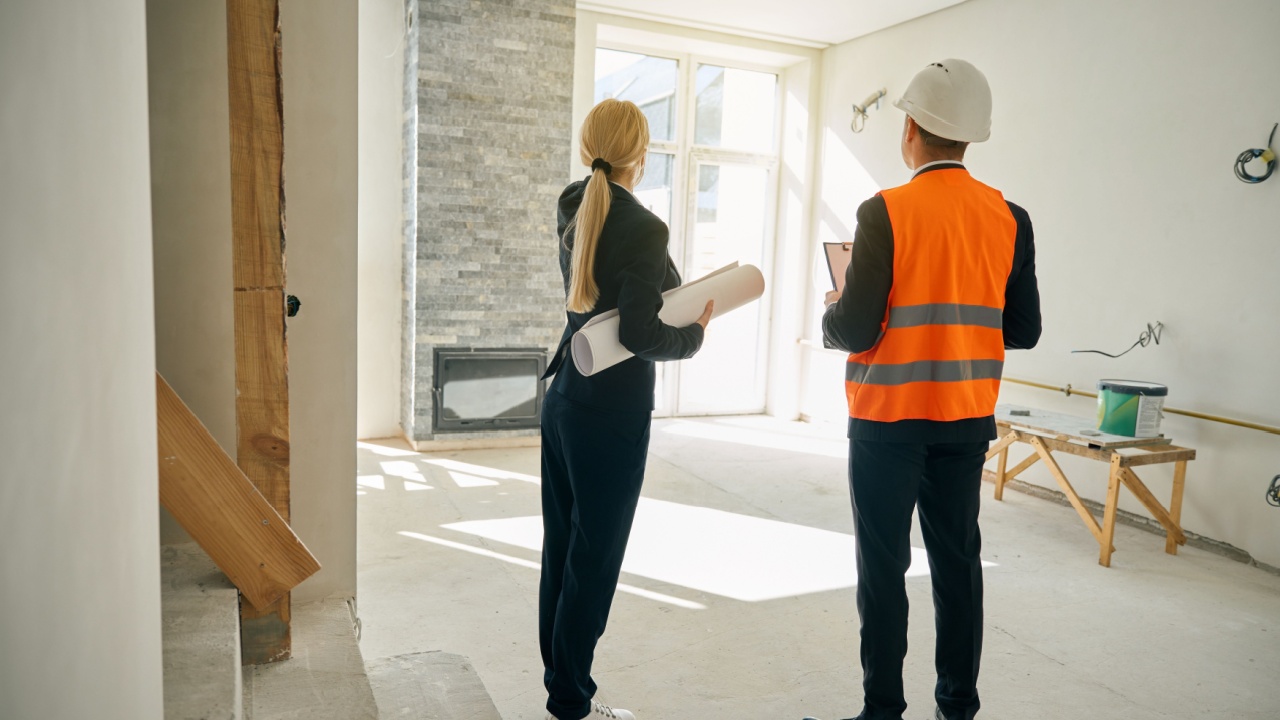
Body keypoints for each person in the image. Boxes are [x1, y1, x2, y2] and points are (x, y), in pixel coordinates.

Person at [806, 59, 1041, 720]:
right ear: (970, 137)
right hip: (965, 419)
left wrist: (834, 304)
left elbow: (854, 328)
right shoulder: (1010, 217)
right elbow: (1023, 329)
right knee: (957, 565)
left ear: (910, 129)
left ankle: (882, 709)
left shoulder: (884, 211)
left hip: (887, 421)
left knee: (883, 570)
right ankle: (956, 708)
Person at [539, 98, 714, 720]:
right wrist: (692, 336)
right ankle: (570, 697)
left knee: (562, 544)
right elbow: (642, 333)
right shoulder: (645, 226)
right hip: (610, 413)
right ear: (642, 155)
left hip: (563, 398)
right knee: (597, 553)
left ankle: (560, 680)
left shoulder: (572, 202)